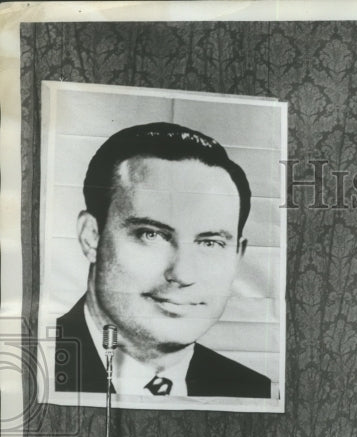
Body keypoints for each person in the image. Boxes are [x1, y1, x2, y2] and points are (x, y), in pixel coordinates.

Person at [54, 121, 271, 398]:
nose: (182, 274)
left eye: (209, 243)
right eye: (151, 235)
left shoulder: (252, 390)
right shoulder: (33, 364)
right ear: (91, 236)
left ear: (237, 256)